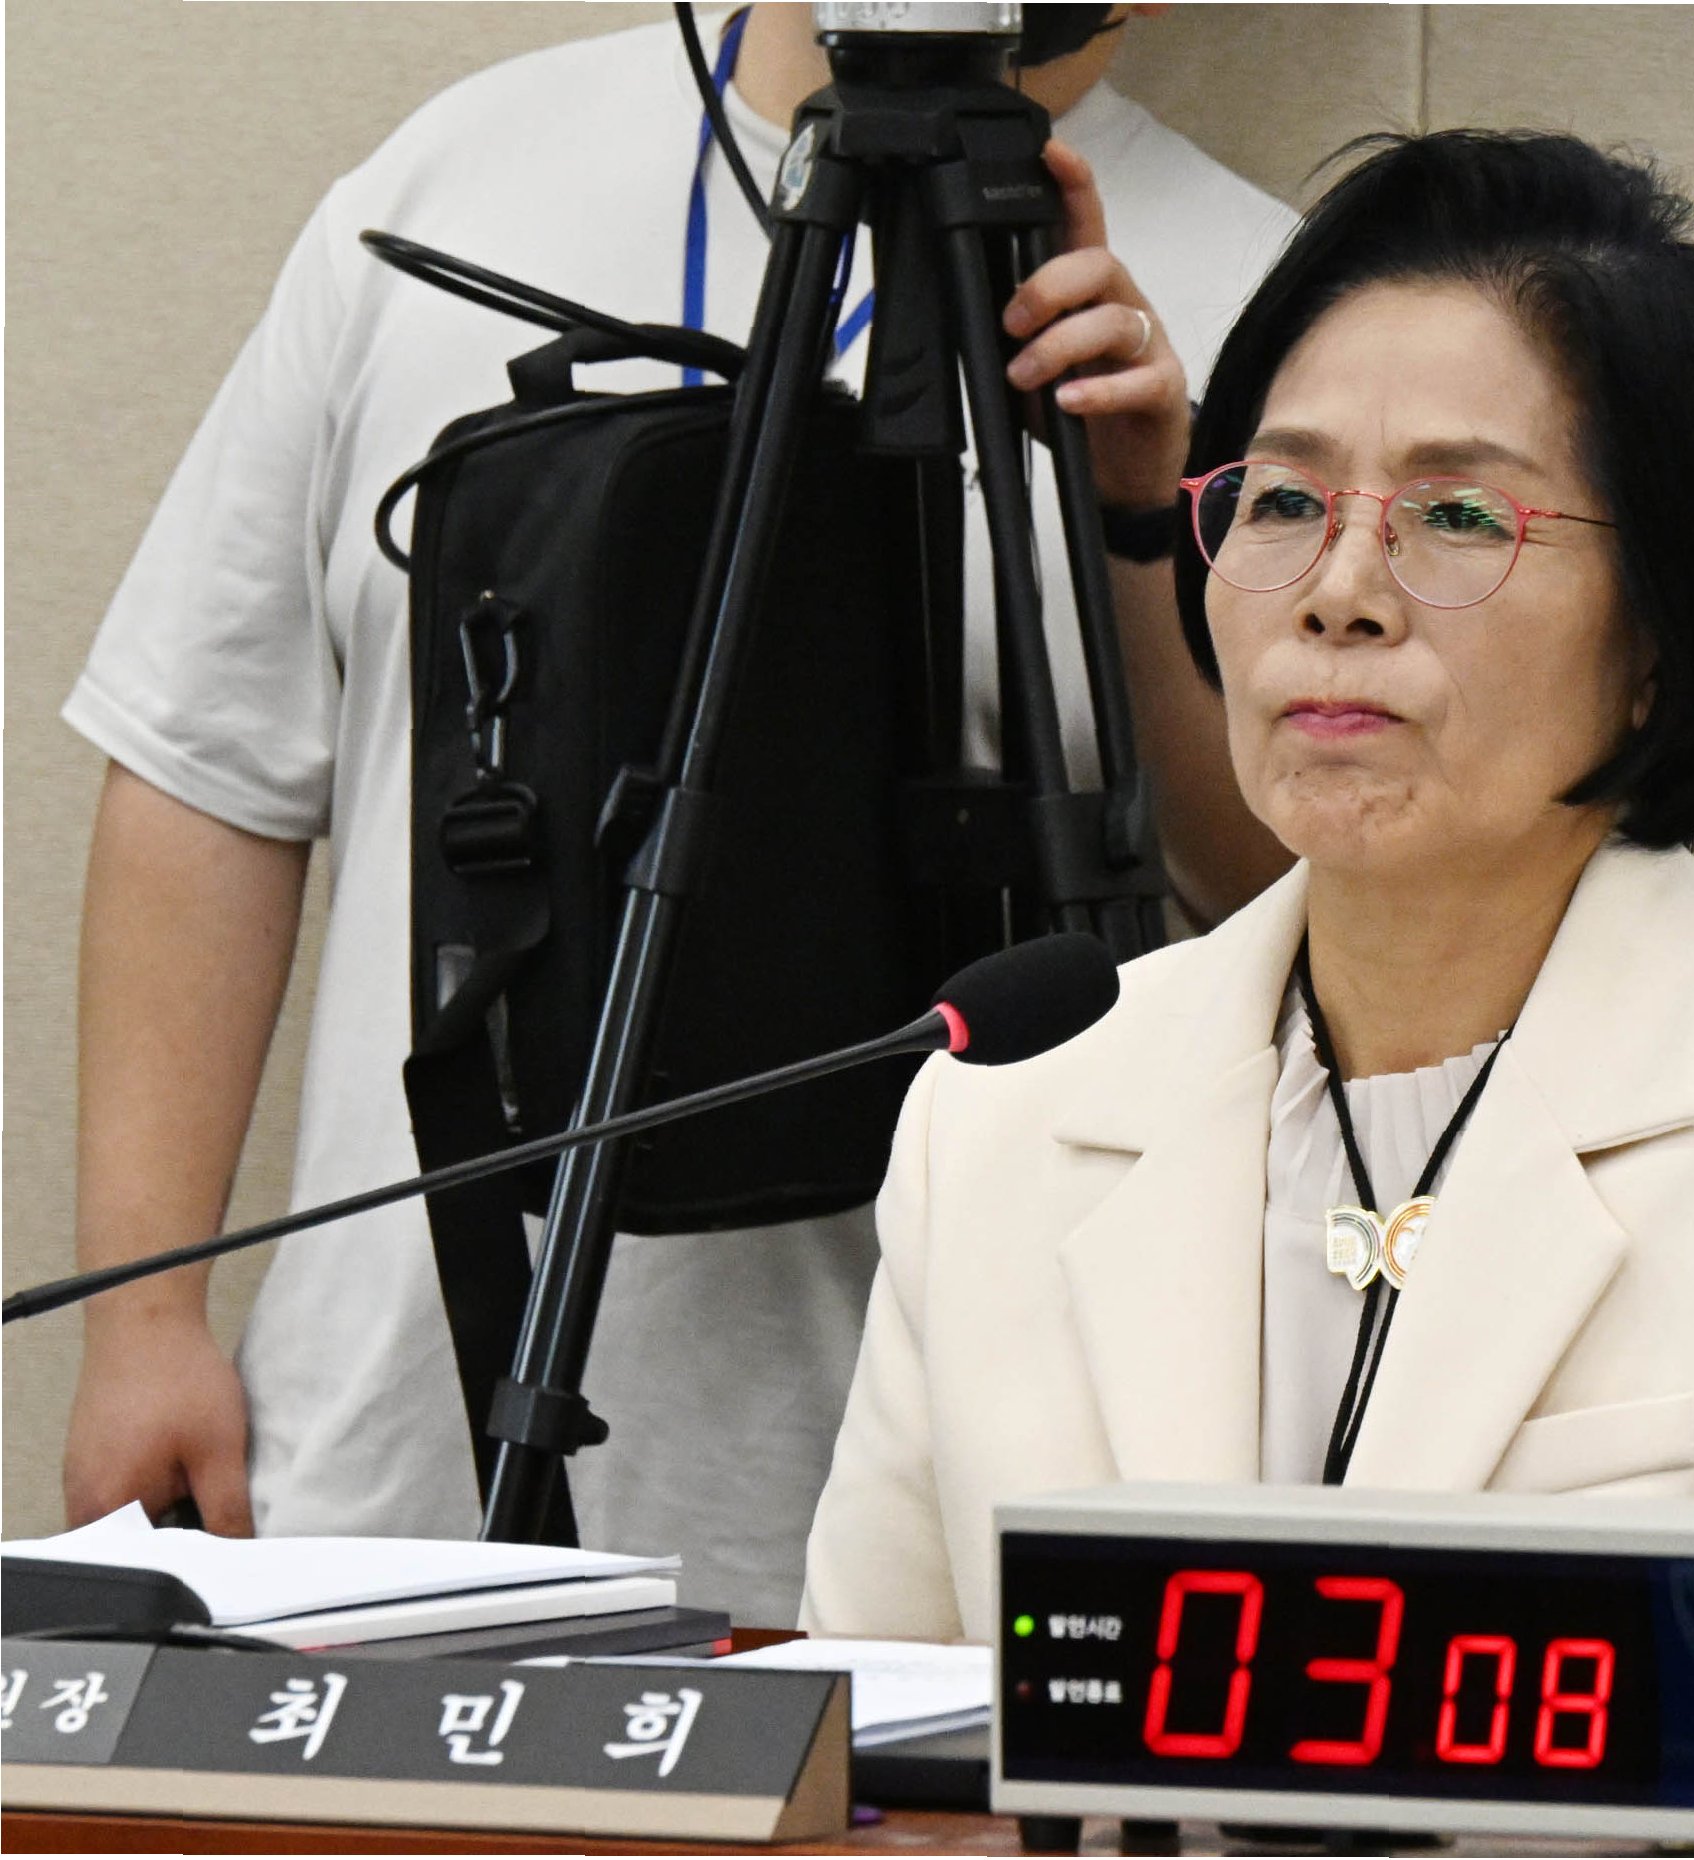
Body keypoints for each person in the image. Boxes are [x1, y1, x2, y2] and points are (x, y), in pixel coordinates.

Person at [800, 129, 1694, 1652]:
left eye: (1460, 518)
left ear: (1665, 637)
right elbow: (874, 1728)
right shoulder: (1003, 1114)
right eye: (1283, 501)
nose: (1339, 593)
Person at [60, 5, 1295, 1625]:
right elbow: (210, 763)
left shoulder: (1270, 303)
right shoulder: (461, 175)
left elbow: (1294, 896)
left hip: (905, 1516)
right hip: (385, 1466)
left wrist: (1139, 517)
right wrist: (144, 1317)